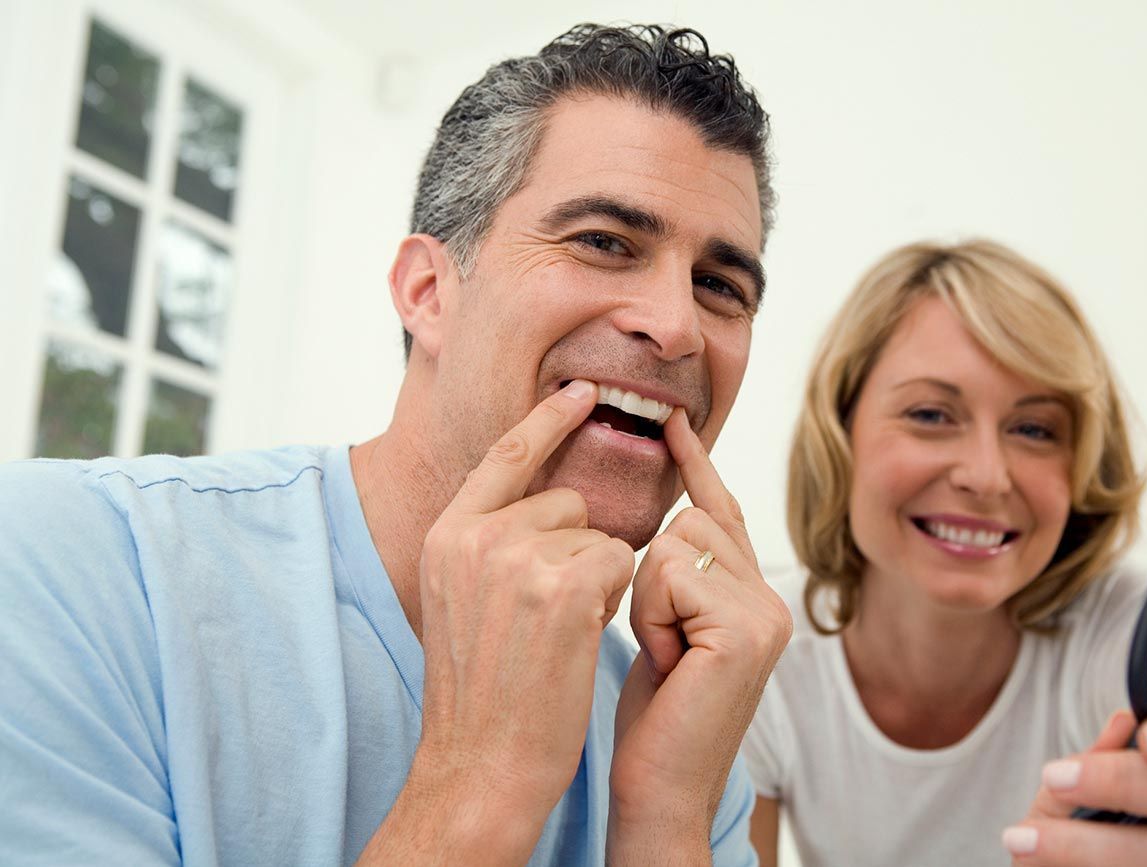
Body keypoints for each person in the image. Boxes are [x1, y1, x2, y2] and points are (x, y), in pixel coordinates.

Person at [0, 24, 792, 865]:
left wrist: (667, 817)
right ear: (427, 291)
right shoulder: (69, 565)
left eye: (720, 285)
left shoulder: (685, 732)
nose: (676, 327)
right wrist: (480, 780)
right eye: (603, 241)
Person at [742, 239, 1147, 866]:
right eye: (930, 414)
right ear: (839, 434)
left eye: (1034, 430)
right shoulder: (763, 652)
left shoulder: (1146, 642)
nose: (987, 476)